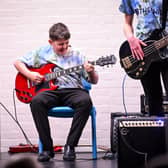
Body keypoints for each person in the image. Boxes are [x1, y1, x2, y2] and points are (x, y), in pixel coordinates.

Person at [14, 22, 99, 162]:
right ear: (50, 42)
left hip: (73, 90)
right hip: (50, 92)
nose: (64, 47)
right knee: (36, 102)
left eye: (66, 43)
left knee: (85, 101)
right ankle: (47, 149)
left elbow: (94, 81)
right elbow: (17, 63)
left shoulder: (77, 55)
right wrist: (30, 75)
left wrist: (92, 71)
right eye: (60, 44)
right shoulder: (41, 53)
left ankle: (70, 147)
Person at [119, 0, 168, 116]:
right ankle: (158, 134)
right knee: (153, 103)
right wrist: (131, 39)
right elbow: (127, 23)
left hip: (165, 47)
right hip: (144, 52)